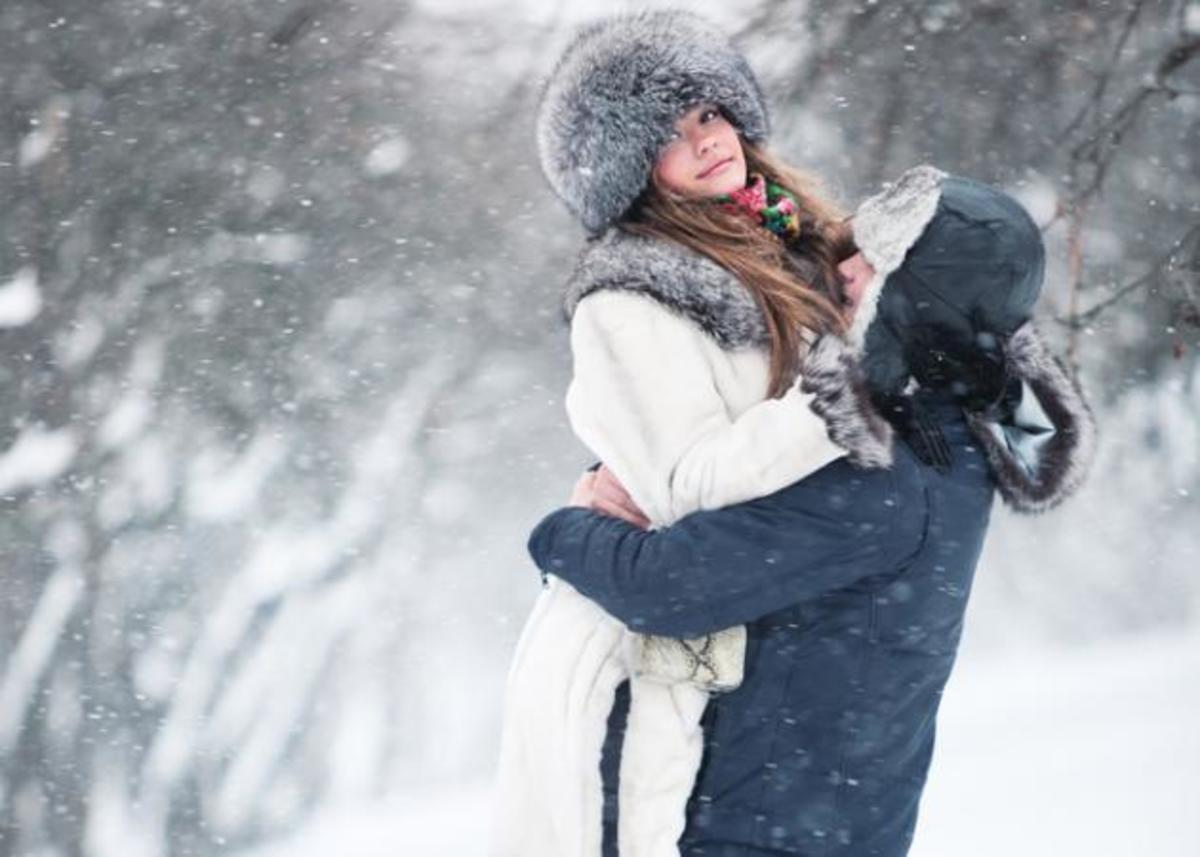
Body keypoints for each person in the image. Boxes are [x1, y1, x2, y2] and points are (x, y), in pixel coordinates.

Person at [491, 10, 1095, 857]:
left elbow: (970, 390)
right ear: (627, 170)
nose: (705, 139)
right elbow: (690, 484)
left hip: (774, 670)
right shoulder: (631, 302)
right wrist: (852, 388)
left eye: (708, 112)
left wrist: (971, 363)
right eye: (667, 134)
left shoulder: (808, 243)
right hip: (690, 662)